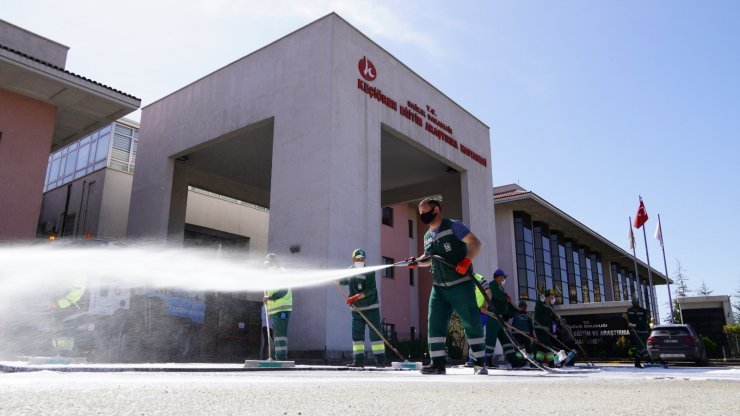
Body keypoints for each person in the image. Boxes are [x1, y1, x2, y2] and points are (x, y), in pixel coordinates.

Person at [407, 197, 487, 375]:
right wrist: (417, 262)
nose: (423, 216)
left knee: (471, 320)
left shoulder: (454, 226)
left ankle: (479, 363)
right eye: (420, 214)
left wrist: (467, 260)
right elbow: (429, 258)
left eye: (425, 212)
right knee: (434, 322)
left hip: (460, 284)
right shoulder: (427, 236)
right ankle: (437, 364)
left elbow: (475, 243)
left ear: (436, 210)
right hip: (439, 287)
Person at [337, 248, 386, 368]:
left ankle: (380, 362)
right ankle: (358, 361)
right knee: (357, 336)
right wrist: (335, 279)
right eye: (357, 259)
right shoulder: (350, 271)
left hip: (371, 308)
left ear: (365, 259)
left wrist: (356, 297)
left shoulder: (369, 272)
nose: (359, 261)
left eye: (362, 259)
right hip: (356, 310)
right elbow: (343, 281)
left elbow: (371, 290)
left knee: (375, 335)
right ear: (353, 259)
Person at [483, 268, 522, 368]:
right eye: (503, 277)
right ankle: (487, 360)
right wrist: (505, 298)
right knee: (491, 339)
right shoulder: (492, 285)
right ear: (498, 277)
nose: (504, 279)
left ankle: (514, 361)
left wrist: (517, 311)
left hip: (500, 318)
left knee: (506, 340)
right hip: (492, 316)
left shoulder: (501, 289)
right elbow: (497, 296)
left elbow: (506, 304)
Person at [263, 253, 292, 360]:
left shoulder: (281, 273)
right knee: (277, 333)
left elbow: (283, 290)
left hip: (282, 308)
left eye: (269, 265)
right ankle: (278, 357)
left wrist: (270, 298)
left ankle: (281, 358)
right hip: (277, 309)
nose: (268, 267)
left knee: (280, 333)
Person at [464, 272, 491, 367]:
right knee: (471, 335)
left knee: (477, 335)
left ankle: (475, 360)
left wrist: (485, 306)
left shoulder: (479, 278)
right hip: (470, 313)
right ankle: (474, 359)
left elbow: (488, 293)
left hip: (479, 312)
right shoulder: (462, 280)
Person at [533, 289, 558, 365]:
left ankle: (539, 360)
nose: (554, 297)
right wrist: (541, 301)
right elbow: (538, 310)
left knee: (542, 345)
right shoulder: (541, 303)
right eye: (553, 295)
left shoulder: (550, 306)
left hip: (546, 328)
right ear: (549, 295)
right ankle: (551, 361)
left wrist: (556, 317)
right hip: (540, 327)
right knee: (547, 344)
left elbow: (552, 318)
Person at [624, 299, 651, 368]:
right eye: (634, 302)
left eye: (636, 302)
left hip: (643, 331)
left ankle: (638, 362)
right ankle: (648, 360)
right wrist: (625, 316)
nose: (635, 304)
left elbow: (644, 322)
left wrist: (634, 325)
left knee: (641, 347)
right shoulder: (629, 310)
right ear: (632, 303)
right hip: (634, 332)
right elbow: (628, 319)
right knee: (641, 346)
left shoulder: (643, 311)